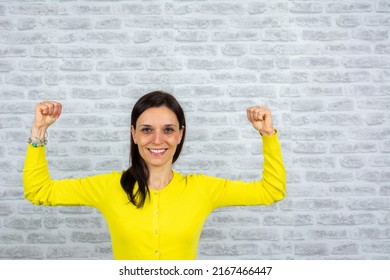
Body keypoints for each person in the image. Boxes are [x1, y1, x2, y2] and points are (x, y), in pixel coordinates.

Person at [23, 91, 286, 260]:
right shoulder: (108, 187)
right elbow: (39, 191)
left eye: (168, 130)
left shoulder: (203, 189)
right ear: (134, 134)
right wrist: (39, 132)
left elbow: (271, 191)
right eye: (147, 130)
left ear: (180, 134)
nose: (157, 140)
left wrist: (267, 136)